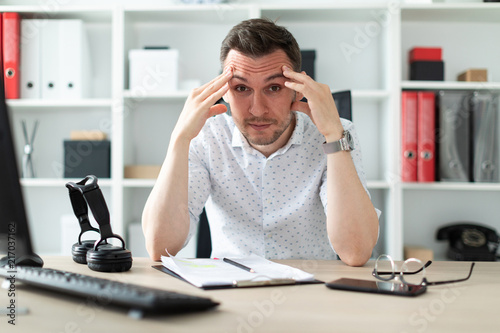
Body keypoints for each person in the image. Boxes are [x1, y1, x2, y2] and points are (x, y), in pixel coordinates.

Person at [142, 18, 380, 266]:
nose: (257, 109)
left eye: (274, 87)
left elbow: (356, 251)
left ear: (298, 89)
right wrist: (179, 139)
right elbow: (160, 247)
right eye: (242, 88)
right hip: (230, 289)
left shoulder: (337, 135)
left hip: (314, 289)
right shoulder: (206, 137)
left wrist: (333, 135)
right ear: (223, 91)